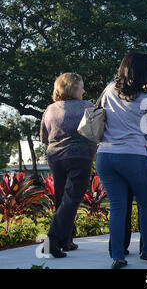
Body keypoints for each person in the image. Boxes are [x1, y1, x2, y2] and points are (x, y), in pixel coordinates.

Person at [95, 52, 147, 269]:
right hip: (133, 156)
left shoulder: (109, 90)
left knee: (118, 208)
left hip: (105, 156)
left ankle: (117, 256)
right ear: (145, 72)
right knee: (146, 205)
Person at [40, 73, 97, 258]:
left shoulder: (49, 109)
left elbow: (43, 137)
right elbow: (98, 131)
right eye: (81, 86)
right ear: (73, 88)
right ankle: (52, 240)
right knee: (72, 198)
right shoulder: (87, 106)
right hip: (80, 156)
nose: (84, 90)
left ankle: (66, 240)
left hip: (55, 157)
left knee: (62, 198)